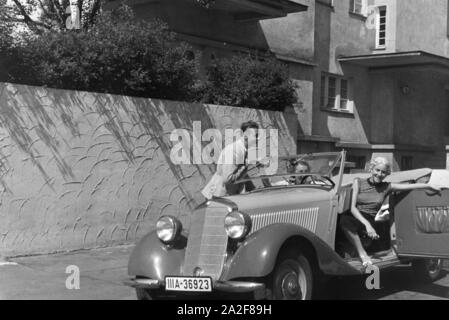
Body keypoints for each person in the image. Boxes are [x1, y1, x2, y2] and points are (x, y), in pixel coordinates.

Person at [339, 157, 443, 267]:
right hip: (356, 215)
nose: (379, 174)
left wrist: (428, 185)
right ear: (371, 169)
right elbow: (353, 208)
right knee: (344, 221)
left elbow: (409, 186)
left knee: (348, 223)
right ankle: (361, 253)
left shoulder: (387, 186)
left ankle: (363, 252)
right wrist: (368, 226)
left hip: (370, 216)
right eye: (377, 170)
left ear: (387, 174)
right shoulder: (358, 182)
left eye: (383, 172)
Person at [201, 121, 259, 199]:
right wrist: (247, 164)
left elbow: (240, 173)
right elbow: (228, 179)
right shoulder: (233, 151)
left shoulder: (243, 149)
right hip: (219, 198)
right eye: (256, 135)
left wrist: (252, 189)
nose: (258, 138)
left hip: (227, 196)